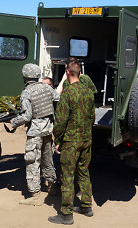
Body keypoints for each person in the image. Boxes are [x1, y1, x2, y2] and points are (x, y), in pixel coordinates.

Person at [48, 61, 95, 225]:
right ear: (79, 72)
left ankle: (66, 214)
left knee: (67, 176)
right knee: (84, 172)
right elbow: (92, 117)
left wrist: (57, 139)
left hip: (71, 141)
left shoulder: (67, 93)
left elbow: (60, 121)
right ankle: (86, 207)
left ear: (67, 72)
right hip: (86, 140)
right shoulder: (89, 92)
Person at [10, 63, 60, 206]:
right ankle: (52, 188)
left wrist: (14, 122)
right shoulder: (47, 88)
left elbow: (26, 116)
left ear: (25, 76)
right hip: (48, 131)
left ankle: (35, 195)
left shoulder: (27, 92)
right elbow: (58, 100)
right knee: (48, 160)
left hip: (35, 133)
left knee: (32, 161)